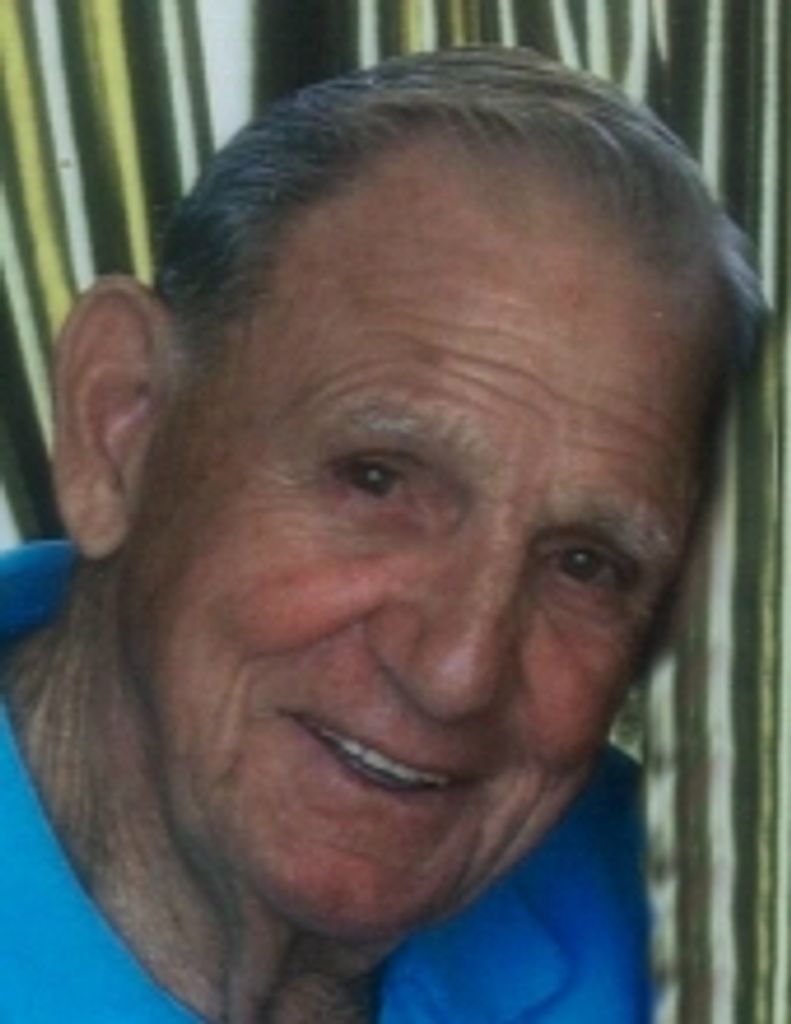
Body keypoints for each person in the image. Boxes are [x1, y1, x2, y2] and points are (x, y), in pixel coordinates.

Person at [0, 46, 764, 1023]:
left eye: (584, 564)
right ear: (121, 422)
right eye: (376, 480)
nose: (455, 672)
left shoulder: (690, 916)